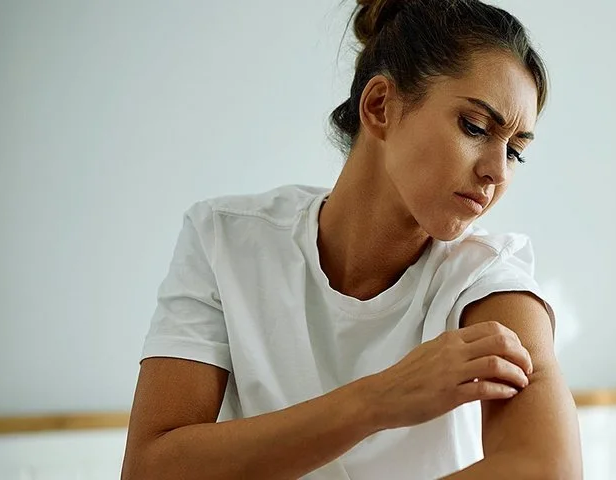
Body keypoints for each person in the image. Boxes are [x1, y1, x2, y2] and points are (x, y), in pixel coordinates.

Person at [119, 0, 580, 478]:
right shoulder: (225, 239)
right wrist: (378, 399)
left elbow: (547, 470)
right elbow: (149, 468)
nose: (497, 172)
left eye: (516, 152)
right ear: (380, 106)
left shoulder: (487, 278)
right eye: (476, 127)